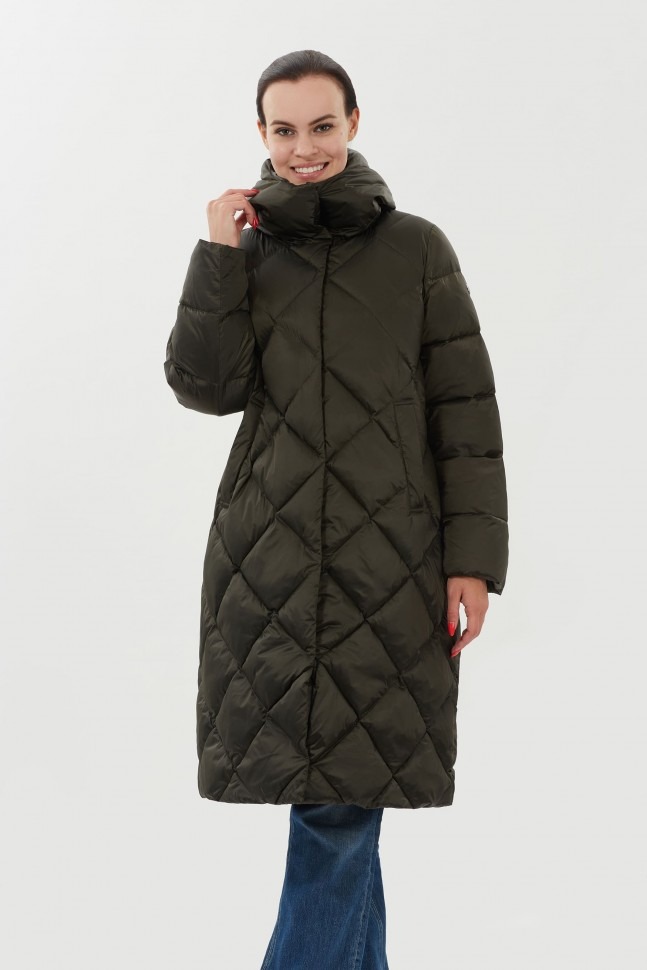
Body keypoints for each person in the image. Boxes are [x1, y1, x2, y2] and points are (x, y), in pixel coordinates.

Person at [164, 49, 508, 970]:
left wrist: (472, 562)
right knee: (343, 801)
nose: (303, 148)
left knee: (343, 803)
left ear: (353, 124)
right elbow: (204, 388)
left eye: (321, 126)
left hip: (389, 559)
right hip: (269, 557)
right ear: (261, 134)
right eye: (284, 130)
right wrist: (217, 256)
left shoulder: (418, 250)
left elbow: (464, 414)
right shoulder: (246, 253)